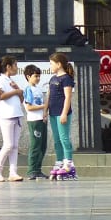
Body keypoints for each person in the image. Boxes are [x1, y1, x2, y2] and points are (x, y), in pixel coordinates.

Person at [0, 57, 25, 182]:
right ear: (8, 67)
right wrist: (16, 91)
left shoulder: (11, 81)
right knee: (8, 145)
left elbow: (21, 99)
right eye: (15, 65)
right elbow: (1, 96)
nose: (16, 67)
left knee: (15, 145)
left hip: (17, 114)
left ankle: (13, 172)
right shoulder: (0, 80)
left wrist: (18, 90)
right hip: (7, 115)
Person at [47, 51, 77, 179]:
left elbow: (68, 97)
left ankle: (68, 163)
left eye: (51, 63)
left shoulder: (66, 79)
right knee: (57, 139)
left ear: (59, 64)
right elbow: (49, 96)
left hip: (62, 113)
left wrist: (64, 113)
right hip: (53, 113)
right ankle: (59, 162)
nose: (50, 66)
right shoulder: (52, 79)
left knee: (64, 138)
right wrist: (45, 112)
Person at [22, 64, 48, 179]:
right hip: (34, 121)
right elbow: (29, 107)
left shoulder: (38, 89)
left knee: (42, 146)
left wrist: (44, 114)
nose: (38, 78)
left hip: (41, 120)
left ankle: (38, 169)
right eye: (35, 76)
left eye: (39, 76)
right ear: (28, 76)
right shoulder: (28, 89)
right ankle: (31, 170)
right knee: (35, 146)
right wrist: (44, 106)